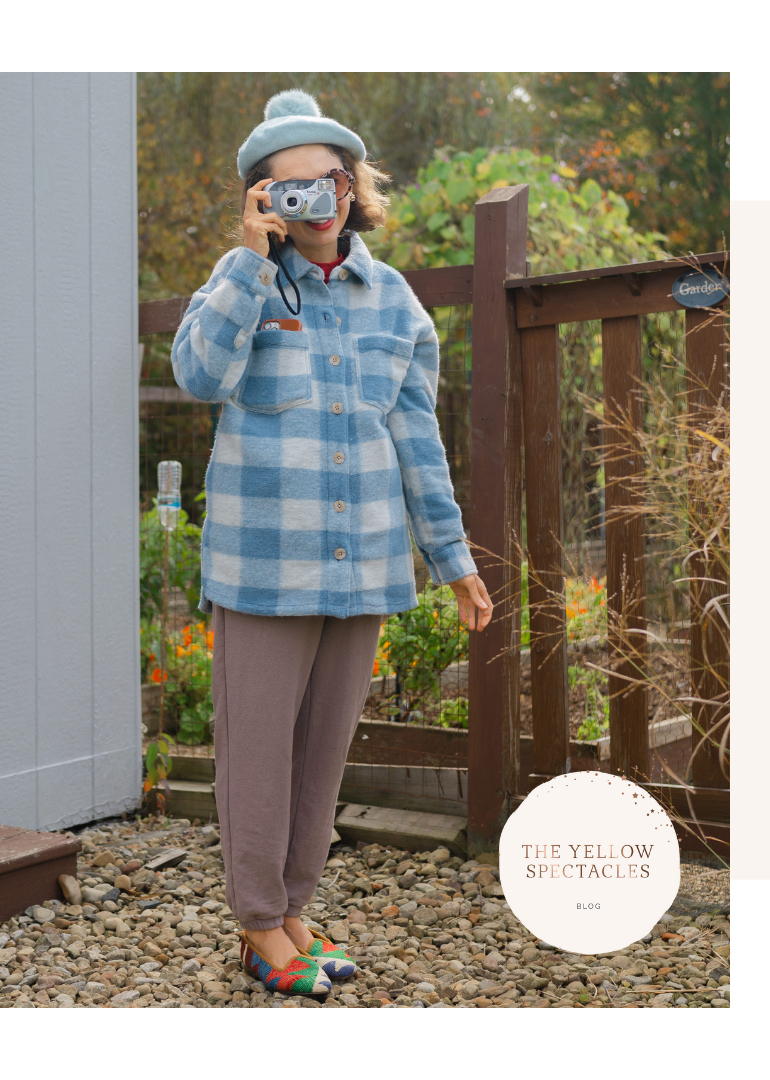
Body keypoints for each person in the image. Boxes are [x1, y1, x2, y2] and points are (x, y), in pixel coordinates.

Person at [170, 89, 494, 998]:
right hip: (262, 569)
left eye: (323, 181)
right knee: (259, 752)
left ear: (348, 188)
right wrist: (246, 259)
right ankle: (257, 922)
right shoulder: (239, 283)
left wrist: (454, 561)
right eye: (284, 190)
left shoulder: (396, 305)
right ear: (260, 200)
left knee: (322, 754)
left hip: (366, 570)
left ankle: (293, 910)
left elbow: (419, 445)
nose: (309, 200)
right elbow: (197, 376)